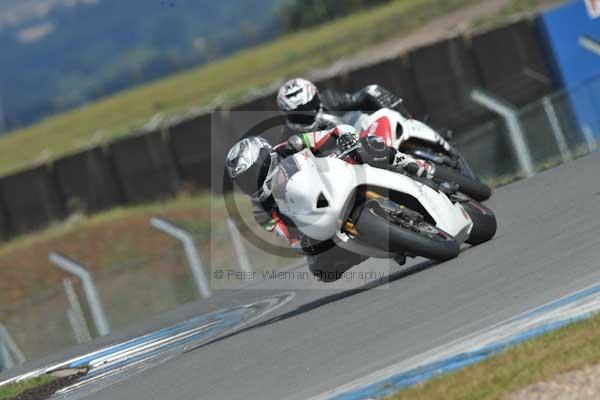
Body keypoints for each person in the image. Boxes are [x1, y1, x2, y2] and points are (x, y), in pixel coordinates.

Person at [225, 125, 435, 282]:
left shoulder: (290, 146)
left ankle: (413, 164)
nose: (249, 183)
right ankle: (380, 242)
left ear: (264, 157)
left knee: (367, 144)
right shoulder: (261, 210)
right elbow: (288, 236)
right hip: (322, 218)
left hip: (339, 175)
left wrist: (345, 138)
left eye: (251, 174)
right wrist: (303, 244)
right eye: (244, 180)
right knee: (321, 269)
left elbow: (334, 132)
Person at [276, 77, 402, 134]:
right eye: (297, 113)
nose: (306, 113)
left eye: (309, 106)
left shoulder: (330, 99)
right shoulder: (289, 134)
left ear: (317, 97)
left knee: (373, 92)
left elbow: (363, 96)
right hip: (335, 167)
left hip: (362, 141)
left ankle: (406, 121)